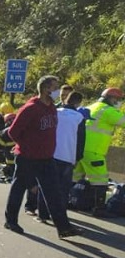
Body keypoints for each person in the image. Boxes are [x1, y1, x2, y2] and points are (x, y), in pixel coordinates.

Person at [3, 75, 83, 239]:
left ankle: (64, 228)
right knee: (18, 189)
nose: (57, 91)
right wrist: (26, 146)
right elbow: (13, 132)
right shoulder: (30, 108)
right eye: (55, 87)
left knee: (54, 193)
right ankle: (10, 221)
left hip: (47, 158)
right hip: (28, 157)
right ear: (46, 89)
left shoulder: (52, 107)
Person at [29, 90, 86, 223]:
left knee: (46, 185)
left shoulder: (55, 111)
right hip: (67, 156)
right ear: (78, 103)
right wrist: (78, 157)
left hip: (50, 153)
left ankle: (42, 214)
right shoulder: (79, 117)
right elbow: (81, 140)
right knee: (62, 189)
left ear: (66, 99)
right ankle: (59, 217)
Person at [73, 87, 125, 216]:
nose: (119, 102)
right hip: (94, 151)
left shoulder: (92, 106)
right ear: (111, 99)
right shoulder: (108, 111)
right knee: (101, 180)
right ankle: (99, 209)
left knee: (74, 177)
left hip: (79, 148)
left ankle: (68, 201)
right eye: (118, 99)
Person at [0, 113, 16, 179]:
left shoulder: (5, 132)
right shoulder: (20, 128)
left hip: (10, 157)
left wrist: (2, 150)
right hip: (18, 157)